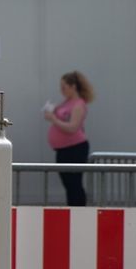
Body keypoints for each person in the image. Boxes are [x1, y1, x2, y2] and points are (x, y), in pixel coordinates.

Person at [45, 70, 94, 207]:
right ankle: (72, 208)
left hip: (75, 148)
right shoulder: (66, 102)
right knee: (68, 183)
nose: (61, 91)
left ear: (73, 87)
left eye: (64, 87)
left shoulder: (78, 104)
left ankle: (79, 209)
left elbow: (73, 127)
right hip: (63, 150)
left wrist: (54, 119)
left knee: (74, 183)